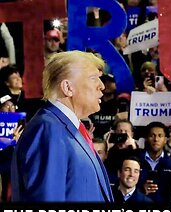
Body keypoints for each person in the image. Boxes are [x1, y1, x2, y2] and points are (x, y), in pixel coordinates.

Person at [11, 50, 114, 202]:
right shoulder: (48, 129)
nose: (101, 86)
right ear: (68, 87)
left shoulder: (69, 128)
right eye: (94, 78)